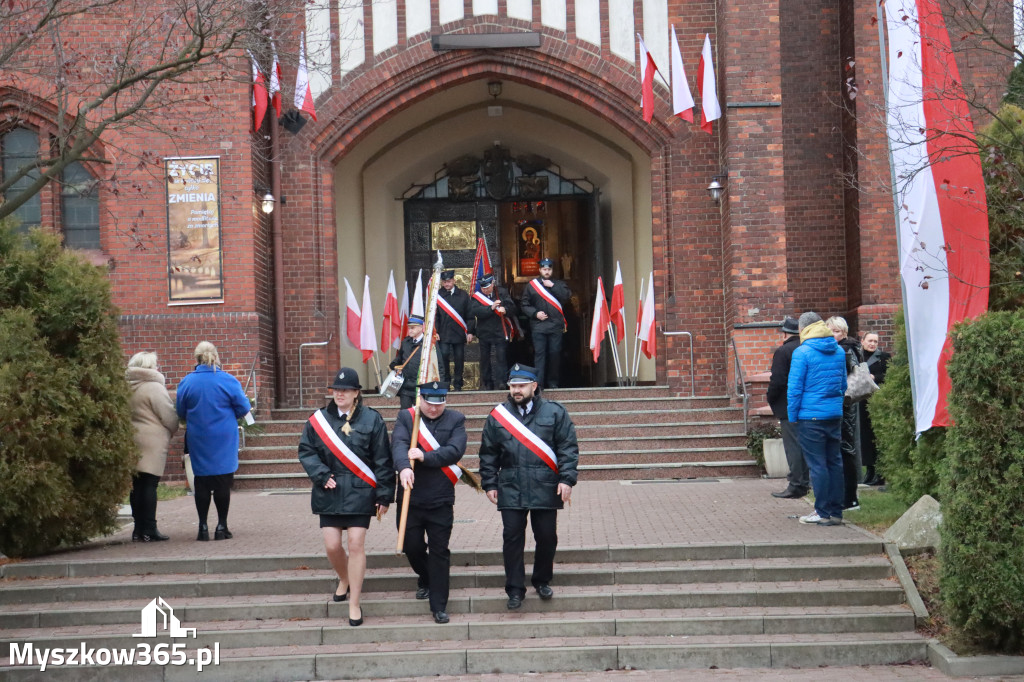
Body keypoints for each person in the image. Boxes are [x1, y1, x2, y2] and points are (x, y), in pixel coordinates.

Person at [297, 368, 395, 627]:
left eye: (346, 390)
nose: (339, 394)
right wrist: (320, 474)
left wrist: (384, 495)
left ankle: (354, 603)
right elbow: (306, 451)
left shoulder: (372, 420)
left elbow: (383, 460)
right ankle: (344, 578)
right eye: (336, 390)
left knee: (355, 544)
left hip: (361, 493)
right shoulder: (317, 420)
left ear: (356, 393)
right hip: (329, 491)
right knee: (331, 545)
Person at [479, 364, 579, 610]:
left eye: (521, 386)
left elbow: (567, 448)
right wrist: (489, 483)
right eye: (513, 386)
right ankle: (514, 589)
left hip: (546, 484)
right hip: (511, 484)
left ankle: (542, 579)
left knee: (546, 537)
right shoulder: (498, 415)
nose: (516, 390)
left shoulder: (555, 412)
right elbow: (488, 453)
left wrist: (567, 480)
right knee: (512, 538)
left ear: (534, 386)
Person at [392, 381, 467, 625]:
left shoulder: (456, 419)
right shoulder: (406, 417)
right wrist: (403, 467)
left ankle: (439, 606)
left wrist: (425, 456)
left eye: (439, 403)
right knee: (411, 547)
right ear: (420, 399)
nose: (433, 408)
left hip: (440, 498)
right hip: (410, 497)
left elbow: (455, 451)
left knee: (439, 552)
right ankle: (426, 577)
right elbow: (399, 444)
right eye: (428, 403)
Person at [176, 341, 251, 542]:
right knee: (222, 481)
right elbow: (244, 407)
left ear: (197, 358)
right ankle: (221, 526)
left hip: (198, 435)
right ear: (216, 357)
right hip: (224, 436)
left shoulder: (187, 382)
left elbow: (180, 411)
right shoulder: (228, 380)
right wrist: (228, 414)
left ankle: (202, 527)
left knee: (201, 480)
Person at [787, 313, 847, 526]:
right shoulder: (838, 350)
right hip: (833, 414)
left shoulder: (802, 352)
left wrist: (792, 415)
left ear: (803, 330)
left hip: (810, 416)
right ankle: (837, 511)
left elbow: (795, 388)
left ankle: (822, 511)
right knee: (835, 462)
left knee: (817, 465)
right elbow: (843, 385)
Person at [126, 352, 179, 542]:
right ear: (150, 366)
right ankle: (150, 528)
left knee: (136, 485)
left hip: (131, 438)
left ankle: (138, 528)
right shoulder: (154, 387)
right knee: (150, 484)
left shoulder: (126, 386)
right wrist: (172, 430)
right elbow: (169, 415)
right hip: (153, 441)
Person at [766, 317, 809, 499]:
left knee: (793, 447)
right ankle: (806, 481)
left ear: (784, 334)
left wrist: (771, 398)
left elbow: (778, 380)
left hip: (788, 405)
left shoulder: (783, 351)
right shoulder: (807, 349)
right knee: (806, 445)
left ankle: (797, 485)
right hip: (809, 404)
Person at [826, 316, 864, 512]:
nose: (833, 335)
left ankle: (850, 498)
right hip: (848, 402)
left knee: (846, 449)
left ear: (844, 333)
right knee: (845, 449)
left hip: (845, 403)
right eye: (830, 331)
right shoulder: (852, 347)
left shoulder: (845, 350)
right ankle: (848, 497)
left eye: (836, 331)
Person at [519, 258, 571, 389]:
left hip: (555, 326)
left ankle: (553, 382)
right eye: (544, 269)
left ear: (552, 270)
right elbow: (524, 304)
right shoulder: (532, 286)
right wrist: (535, 313)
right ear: (540, 270)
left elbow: (567, 296)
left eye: (549, 269)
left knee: (554, 354)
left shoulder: (558, 284)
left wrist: (552, 286)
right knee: (540, 355)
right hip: (538, 326)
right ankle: (539, 383)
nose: (546, 271)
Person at [470, 274, 516, 390]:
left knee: (501, 357)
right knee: (485, 359)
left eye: (487, 287)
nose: (485, 290)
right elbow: (476, 310)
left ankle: (501, 382)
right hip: (484, 331)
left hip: (499, 331)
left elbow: (512, 307)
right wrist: (491, 308)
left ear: (493, 284)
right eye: (483, 287)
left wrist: (505, 310)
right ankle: (487, 383)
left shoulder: (501, 292)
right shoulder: (477, 296)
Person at [860, 332, 891, 486]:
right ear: (862, 341)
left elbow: (889, 375)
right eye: (870, 341)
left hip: (877, 401)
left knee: (876, 437)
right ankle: (869, 470)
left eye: (875, 341)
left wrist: (875, 377)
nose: (872, 344)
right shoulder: (858, 357)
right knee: (865, 439)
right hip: (861, 401)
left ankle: (880, 473)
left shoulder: (884, 357)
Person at [436, 270, 474, 391]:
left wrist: (470, 332)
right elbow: (435, 316)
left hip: (459, 333)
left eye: (449, 281)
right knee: (444, 356)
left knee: (459, 358)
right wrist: (435, 332)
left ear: (454, 280)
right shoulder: (437, 295)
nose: (447, 284)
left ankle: (458, 384)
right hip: (443, 334)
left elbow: (470, 315)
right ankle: (446, 382)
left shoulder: (463, 295)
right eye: (444, 282)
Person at [389, 315, 425, 409]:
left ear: (421, 327)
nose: (410, 330)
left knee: (421, 415)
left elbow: (439, 366)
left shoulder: (428, 343)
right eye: (409, 328)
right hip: (406, 387)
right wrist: (394, 366)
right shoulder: (405, 342)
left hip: (421, 387)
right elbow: (398, 360)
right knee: (405, 414)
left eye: (413, 328)